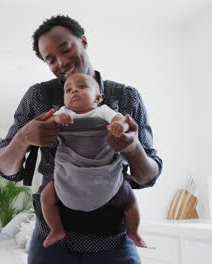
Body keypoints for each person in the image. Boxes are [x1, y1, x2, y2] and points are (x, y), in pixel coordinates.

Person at [0, 15, 162, 264]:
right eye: (50, 59)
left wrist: (133, 147)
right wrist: (23, 138)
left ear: (83, 41)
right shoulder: (38, 96)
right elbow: (6, 169)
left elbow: (149, 176)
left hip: (114, 242)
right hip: (52, 244)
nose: (62, 62)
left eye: (66, 48)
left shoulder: (125, 97)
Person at [41, 73, 146, 249]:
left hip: (104, 170)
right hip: (70, 171)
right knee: (47, 196)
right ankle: (56, 229)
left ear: (98, 98)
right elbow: (48, 124)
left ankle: (133, 231)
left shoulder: (102, 111)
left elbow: (122, 119)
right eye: (68, 90)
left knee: (128, 197)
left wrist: (120, 125)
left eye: (82, 87)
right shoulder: (64, 112)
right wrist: (56, 119)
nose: (74, 90)